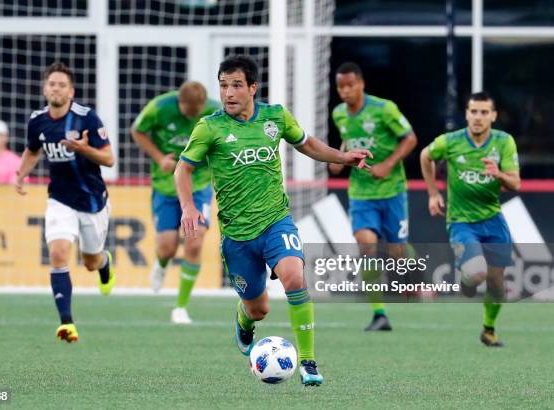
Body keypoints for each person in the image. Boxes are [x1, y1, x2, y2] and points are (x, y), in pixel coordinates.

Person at [175, 55, 372, 386]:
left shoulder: (275, 117)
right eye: (223, 86)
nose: (229, 94)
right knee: (258, 308)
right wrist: (188, 207)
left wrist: (342, 158)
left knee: (295, 276)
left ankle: (308, 361)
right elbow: (184, 169)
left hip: (275, 221)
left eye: (236, 85)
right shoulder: (209, 127)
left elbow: (306, 143)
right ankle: (243, 319)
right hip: (237, 235)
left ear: (252, 88)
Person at [14, 62, 116, 343]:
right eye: (52, 84)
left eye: (62, 85)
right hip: (59, 199)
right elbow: (33, 150)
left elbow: (109, 159)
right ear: (45, 88)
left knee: (91, 262)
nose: (56, 88)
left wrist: (84, 149)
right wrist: (20, 174)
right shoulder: (37, 120)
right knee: (58, 253)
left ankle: (104, 263)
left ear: (71, 91)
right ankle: (67, 323)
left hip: (93, 200)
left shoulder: (87, 118)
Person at [420, 91, 520, 347]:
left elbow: (515, 183)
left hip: (493, 219)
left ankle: (488, 329)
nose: (478, 117)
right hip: (461, 221)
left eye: (484, 112)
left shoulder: (504, 142)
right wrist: (433, 193)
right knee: (477, 273)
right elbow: (425, 155)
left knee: (497, 286)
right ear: (466, 114)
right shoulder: (451, 141)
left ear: (493, 116)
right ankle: (467, 281)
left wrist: (498, 174)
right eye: (473, 111)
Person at [329, 62, 417, 331]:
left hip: (392, 191)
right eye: (340, 86)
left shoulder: (384, 109)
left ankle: (411, 270)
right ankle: (380, 314)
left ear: (361, 84)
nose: (345, 91)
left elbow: (410, 138)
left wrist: (388, 164)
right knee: (366, 245)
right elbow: (347, 140)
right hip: (361, 193)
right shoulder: (339, 114)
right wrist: (339, 159)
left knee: (397, 254)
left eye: (350, 85)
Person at [131, 81, 220, 324]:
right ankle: (160, 265)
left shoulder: (215, 111)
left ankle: (180, 307)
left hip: (198, 185)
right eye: (188, 112)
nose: (192, 116)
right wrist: (159, 158)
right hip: (165, 186)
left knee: (194, 241)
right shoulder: (159, 107)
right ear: (180, 103)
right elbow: (137, 131)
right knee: (167, 247)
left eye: (196, 112)